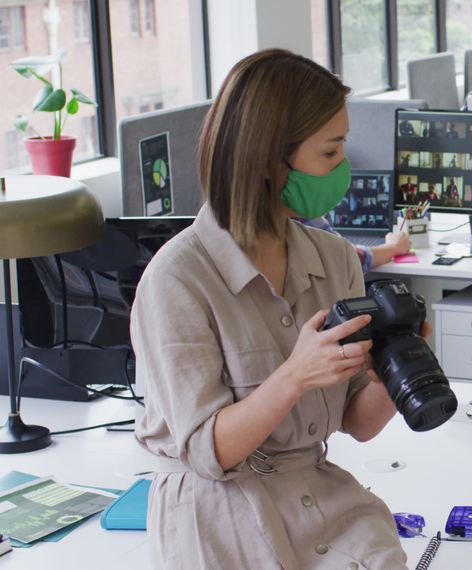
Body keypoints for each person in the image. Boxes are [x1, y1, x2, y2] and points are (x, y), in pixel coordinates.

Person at [132, 49, 410, 568]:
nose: (342, 168)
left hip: (318, 497)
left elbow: (357, 422)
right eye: (330, 154)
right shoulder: (177, 280)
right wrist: (295, 375)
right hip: (218, 514)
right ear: (267, 159)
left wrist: (394, 374)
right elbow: (209, 452)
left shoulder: (333, 259)